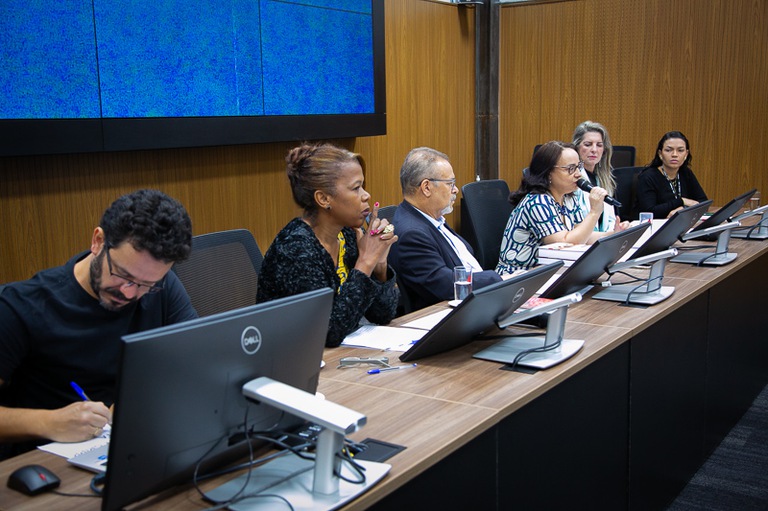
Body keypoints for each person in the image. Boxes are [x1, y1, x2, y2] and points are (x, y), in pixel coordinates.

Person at [0, 189, 196, 458]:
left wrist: (135, 404)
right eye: (122, 275)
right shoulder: (22, 306)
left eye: (145, 285)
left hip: (123, 447)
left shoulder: (162, 287)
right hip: (45, 463)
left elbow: (196, 360)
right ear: (98, 241)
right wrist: (49, 422)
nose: (129, 293)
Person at [257, 143, 399, 348]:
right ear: (323, 198)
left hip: (339, 358)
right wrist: (365, 262)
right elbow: (328, 333)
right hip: (291, 364)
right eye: (356, 188)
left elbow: (383, 314)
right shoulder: (296, 249)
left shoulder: (347, 236)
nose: (366, 195)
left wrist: (379, 266)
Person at [388, 147, 502, 311]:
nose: (455, 190)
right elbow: (445, 285)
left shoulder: (430, 218)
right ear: (426, 187)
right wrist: (497, 279)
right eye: (450, 184)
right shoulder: (411, 233)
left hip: (477, 301)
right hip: (448, 317)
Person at [496, 141, 625, 275]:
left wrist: (613, 234)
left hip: (548, 274)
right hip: (518, 279)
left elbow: (582, 235)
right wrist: (594, 212)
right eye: (570, 169)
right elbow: (565, 246)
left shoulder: (568, 197)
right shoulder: (537, 202)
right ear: (548, 172)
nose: (578, 174)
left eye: (578, 167)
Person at [635, 131, 708, 219]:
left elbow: (703, 202)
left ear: (686, 154)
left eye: (680, 150)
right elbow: (649, 212)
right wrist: (681, 201)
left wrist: (682, 209)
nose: (674, 155)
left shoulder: (685, 173)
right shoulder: (648, 177)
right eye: (668, 150)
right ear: (660, 154)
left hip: (679, 224)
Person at [572, 121, 629, 232]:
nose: (594, 150)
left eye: (599, 145)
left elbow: (610, 221)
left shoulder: (605, 179)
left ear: (604, 150)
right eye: (588, 144)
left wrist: (618, 229)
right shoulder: (573, 179)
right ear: (576, 147)